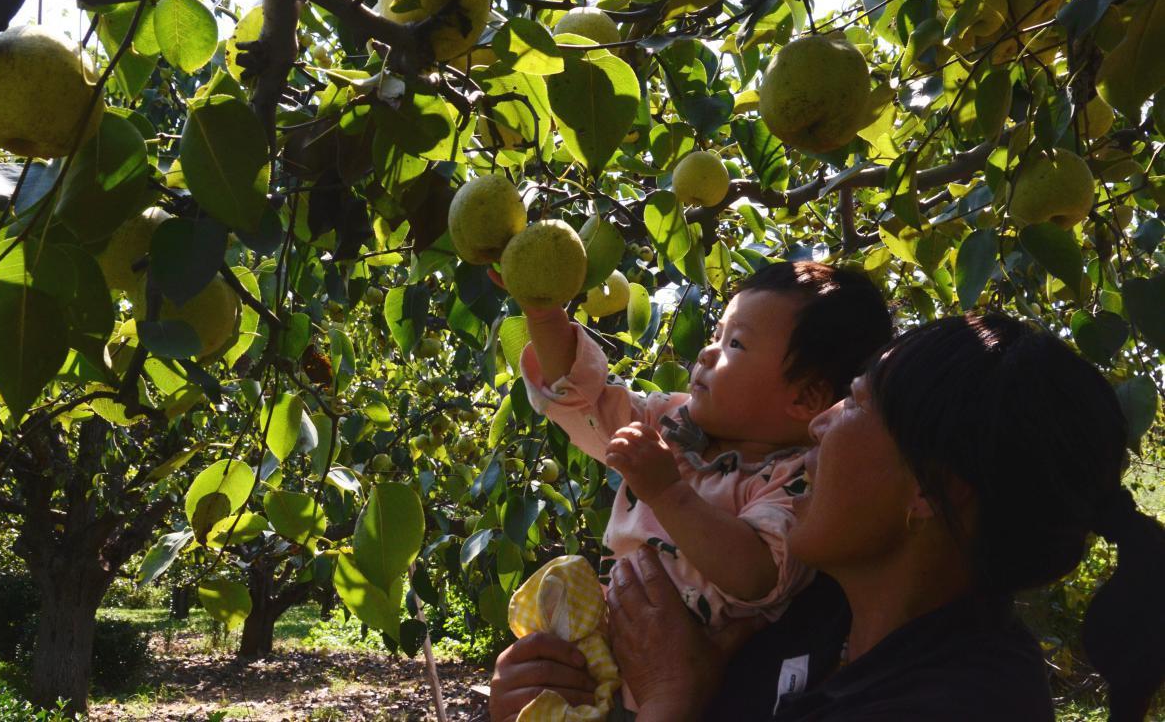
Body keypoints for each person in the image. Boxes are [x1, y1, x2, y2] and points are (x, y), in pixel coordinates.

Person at [490, 314, 1165, 721]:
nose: (816, 423)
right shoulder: (801, 618)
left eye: (852, 404)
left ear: (930, 491)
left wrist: (670, 702)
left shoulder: (961, 704)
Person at [505, 260, 892, 708]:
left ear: (806, 398)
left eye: (736, 344)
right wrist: (544, 315)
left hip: (686, 687)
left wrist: (669, 493)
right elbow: (582, 398)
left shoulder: (798, 479)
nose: (708, 353)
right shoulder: (669, 423)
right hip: (606, 654)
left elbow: (758, 573)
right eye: (715, 336)